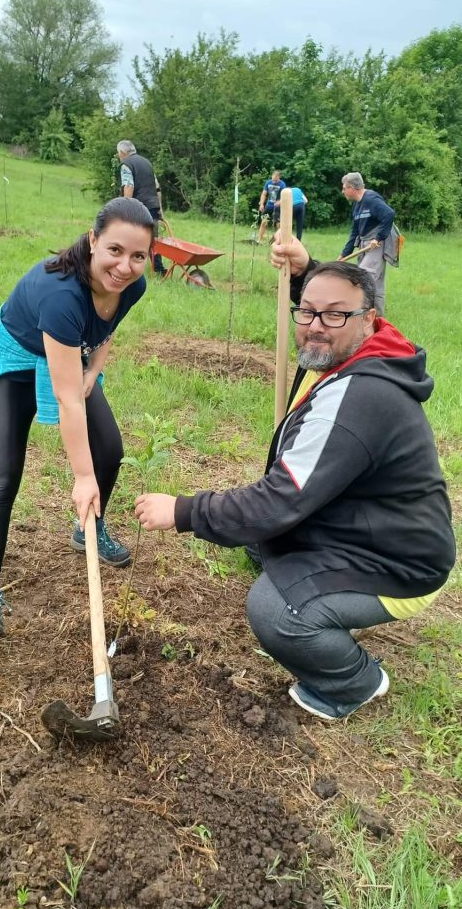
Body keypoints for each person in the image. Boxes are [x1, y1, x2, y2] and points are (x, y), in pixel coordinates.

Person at [134, 236, 455, 721]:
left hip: (401, 561)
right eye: (306, 312)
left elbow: (278, 501)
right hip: (361, 522)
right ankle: (312, 586)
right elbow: (328, 312)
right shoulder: (368, 351)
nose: (315, 328)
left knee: (277, 610)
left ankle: (352, 682)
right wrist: (307, 272)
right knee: (259, 542)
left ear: (369, 319)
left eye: (334, 316)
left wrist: (183, 510)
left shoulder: (358, 400)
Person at [0, 197, 155, 644]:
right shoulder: (62, 293)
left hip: (70, 354)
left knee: (110, 450)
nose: (125, 266)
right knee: (1, 477)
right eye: (114, 250)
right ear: (92, 241)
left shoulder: (132, 286)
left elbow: (107, 330)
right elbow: (68, 401)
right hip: (13, 355)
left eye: (138, 256)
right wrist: (80, 477)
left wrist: (93, 370)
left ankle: (89, 528)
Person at [338, 172, 395, 316]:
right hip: (364, 243)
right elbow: (355, 231)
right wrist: (344, 253)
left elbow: (389, 214)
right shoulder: (356, 205)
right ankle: (377, 319)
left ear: (351, 188)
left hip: (376, 244)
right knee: (376, 285)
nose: (343, 191)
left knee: (363, 278)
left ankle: (361, 316)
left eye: (344, 188)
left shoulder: (371, 199)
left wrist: (379, 238)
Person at [116, 140, 166, 277]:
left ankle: (128, 267)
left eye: (118, 154)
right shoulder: (147, 163)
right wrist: (160, 208)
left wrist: (126, 207)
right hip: (153, 206)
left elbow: (128, 186)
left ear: (122, 153)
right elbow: (157, 187)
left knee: (132, 238)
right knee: (153, 239)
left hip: (139, 207)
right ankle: (159, 269)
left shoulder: (126, 164)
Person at [256, 170, 286, 243]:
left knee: (278, 224)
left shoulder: (282, 184)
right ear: (272, 177)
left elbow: (285, 197)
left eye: (275, 180)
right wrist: (262, 204)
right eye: (273, 179)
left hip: (278, 207)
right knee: (264, 222)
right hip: (268, 206)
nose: (274, 181)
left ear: (279, 177)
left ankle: (280, 241)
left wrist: (279, 202)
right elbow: (264, 194)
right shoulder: (268, 183)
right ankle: (259, 239)